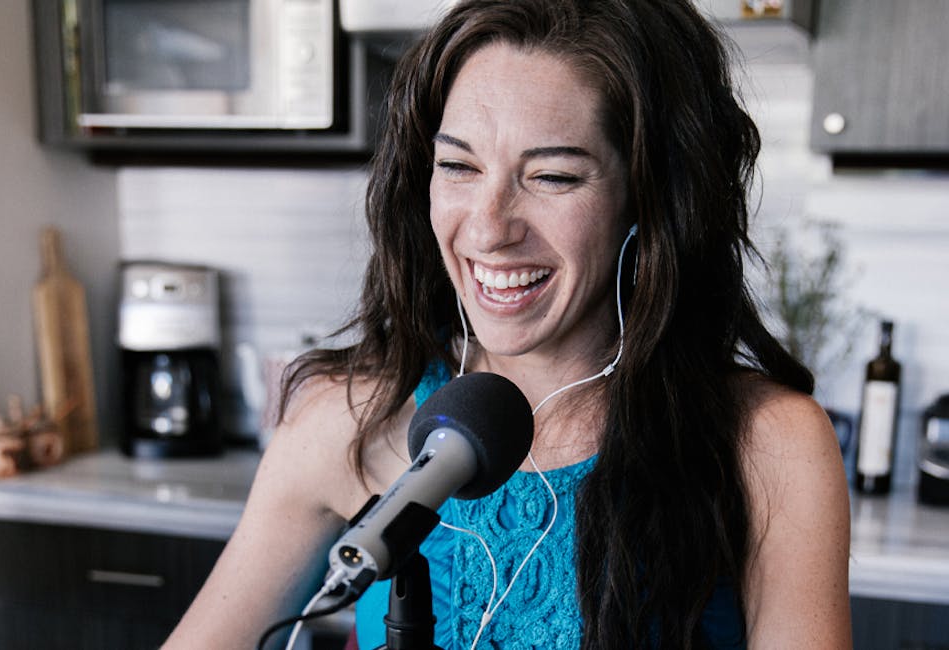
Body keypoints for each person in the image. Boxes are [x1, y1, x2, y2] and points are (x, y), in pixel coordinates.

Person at [165, 0, 851, 648]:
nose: (489, 229)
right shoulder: (345, 418)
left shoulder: (771, 447)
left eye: (552, 177)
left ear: (653, 198)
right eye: (458, 166)